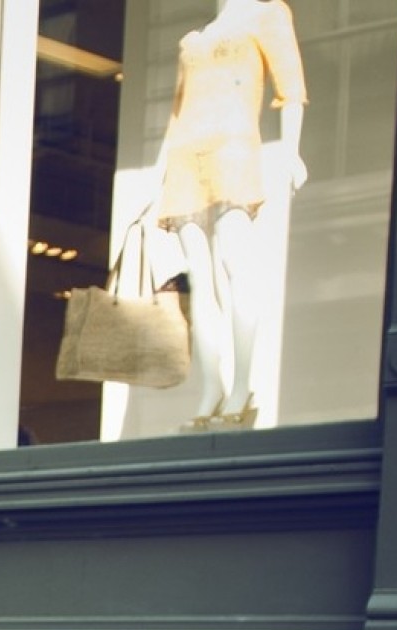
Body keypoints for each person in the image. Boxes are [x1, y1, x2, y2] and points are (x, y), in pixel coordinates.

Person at [153, 0, 307, 430]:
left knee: (235, 268)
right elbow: (177, 114)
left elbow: (291, 87)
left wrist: (291, 151)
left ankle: (242, 385)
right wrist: (157, 179)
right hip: (186, 159)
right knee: (201, 281)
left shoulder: (267, 15)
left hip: (233, 149)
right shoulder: (193, 39)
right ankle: (211, 389)